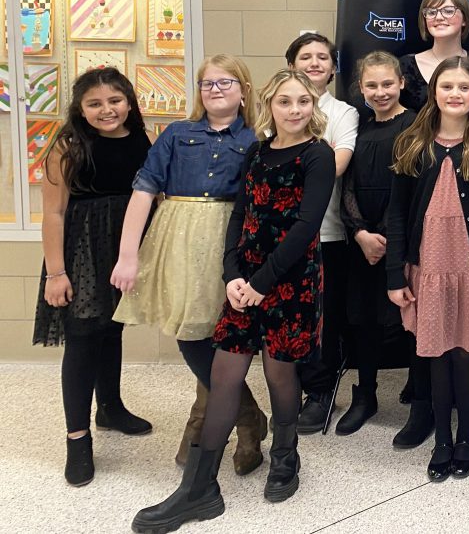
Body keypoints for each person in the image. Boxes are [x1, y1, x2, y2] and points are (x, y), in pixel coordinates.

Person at [131, 70, 335, 533]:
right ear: (269, 103)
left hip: (290, 281)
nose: (295, 110)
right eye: (285, 101)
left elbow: (306, 226)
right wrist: (232, 274)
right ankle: (200, 488)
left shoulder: (316, 155)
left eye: (303, 101)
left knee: (280, 373)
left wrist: (263, 282)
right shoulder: (257, 151)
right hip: (245, 281)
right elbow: (240, 214)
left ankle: (285, 456)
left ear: (313, 106)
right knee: (225, 374)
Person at [112, 55, 266, 476]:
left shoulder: (256, 139)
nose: (215, 90)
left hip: (227, 240)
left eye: (225, 82)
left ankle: (205, 423)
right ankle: (247, 415)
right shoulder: (177, 134)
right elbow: (143, 192)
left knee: (221, 334)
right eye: (207, 83)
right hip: (177, 238)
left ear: (244, 89)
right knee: (190, 332)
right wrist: (128, 256)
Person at [386, 56, 469, 481]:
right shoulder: (412, 143)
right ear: (432, 92)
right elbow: (397, 215)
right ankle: (442, 437)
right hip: (428, 269)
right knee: (436, 356)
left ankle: (465, 437)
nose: (455, 95)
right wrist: (394, 275)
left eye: (464, 87)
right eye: (447, 87)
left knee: (464, 354)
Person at [34, 68, 152, 487]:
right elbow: (53, 213)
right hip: (81, 252)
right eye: (95, 103)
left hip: (122, 251)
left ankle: (111, 408)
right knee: (83, 337)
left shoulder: (142, 138)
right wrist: (55, 273)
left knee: (111, 330)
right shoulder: (67, 147)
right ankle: (77, 438)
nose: (107, 110)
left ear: (129, 101)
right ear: (80, 109)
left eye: (115, 100)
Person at [337, 51, 433, 448]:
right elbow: (346, 187)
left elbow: (420, 191)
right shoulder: (355, 129)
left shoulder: (416, 126)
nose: (380, 92)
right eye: (371, 85)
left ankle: (421, 400)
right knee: (364, 319)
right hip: (363, 243)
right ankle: (367, 393)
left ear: (402, 84)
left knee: (412, 320)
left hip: (406, 241)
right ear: (361, 88)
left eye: (387, 84)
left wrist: (393, 240)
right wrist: (359, 231)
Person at [284, 33, 359, 434]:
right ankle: (286, 388)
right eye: (305, 56)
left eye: (322, 57)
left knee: (321, 319)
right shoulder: (274, 108)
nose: (314, 63)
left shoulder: (342, 113)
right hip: (275, 235)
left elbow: (337, 165)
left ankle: (320, 391)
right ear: (291, 64)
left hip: (325, 233)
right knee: (285, 315)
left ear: (333, 68)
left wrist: (287, 171)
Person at [399, 0, 469, 112]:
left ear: (465, 19)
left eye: (448, 11)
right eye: (431, 12)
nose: (438, 17)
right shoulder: (405, 66)